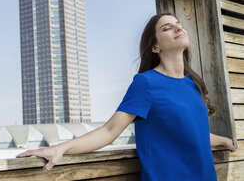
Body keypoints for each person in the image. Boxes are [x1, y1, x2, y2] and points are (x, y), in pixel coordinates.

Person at [15, 12, 237, 180]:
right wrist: (61, 148)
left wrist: (225, 141)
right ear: (155, 47)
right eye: (167, 28)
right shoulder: (146, 83)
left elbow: (195, 133)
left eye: (179, 25)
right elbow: (110, 130)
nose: (178, 29)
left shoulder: (193, 84)